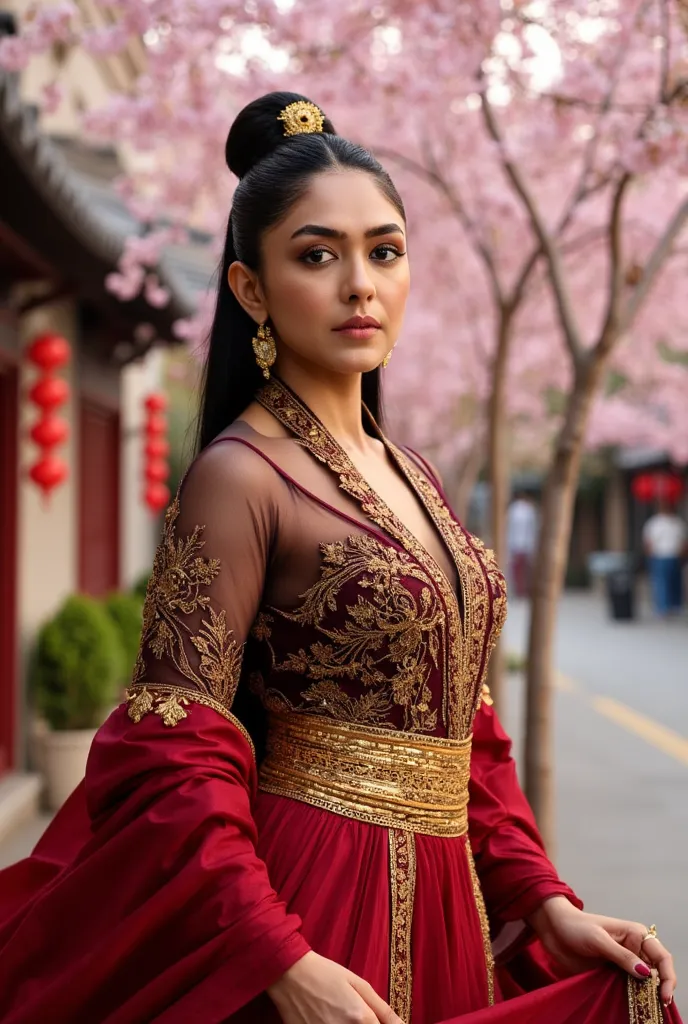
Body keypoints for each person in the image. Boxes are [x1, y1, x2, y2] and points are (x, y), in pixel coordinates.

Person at [0, 92, 679, 1024]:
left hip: (455, 904)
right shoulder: (240, 477)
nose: (361, 283)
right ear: (250, 289)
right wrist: (279, 957)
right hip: (318, 907)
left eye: (385, 251)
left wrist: (543, 901)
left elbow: (467, 734)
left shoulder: (417, 475)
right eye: (318, 255)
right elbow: (175, 753)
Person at [643, 498, 687, 616]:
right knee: (667, 582)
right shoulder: (660, 523)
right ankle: (668, 606)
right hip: (666, 555)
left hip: (668, 555)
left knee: (669, 582)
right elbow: (649, 542)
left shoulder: (674, 522)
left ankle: (669, 606)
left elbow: (683, 541)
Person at [506, 491, 538, 599]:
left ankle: (520, 591)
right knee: (523, 570)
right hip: (523, 543)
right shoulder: (527, 510)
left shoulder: (514, 509)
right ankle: (522, 591)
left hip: (517, 544)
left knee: (519, 571)